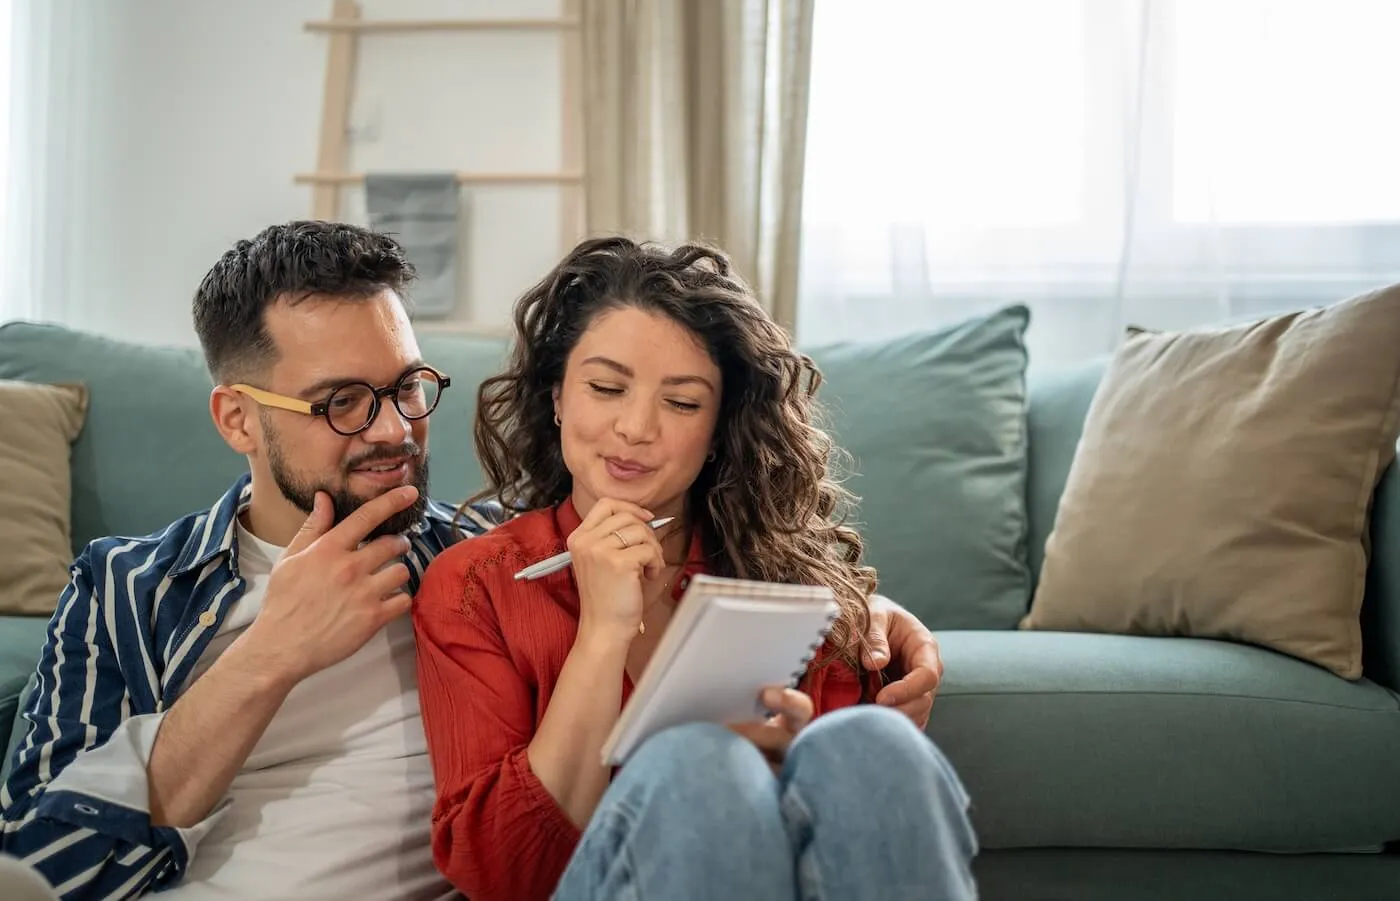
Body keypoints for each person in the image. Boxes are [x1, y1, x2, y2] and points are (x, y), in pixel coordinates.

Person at [0, 221, 947, 901]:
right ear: (238, 417)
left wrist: (868, 612)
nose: (391, 428)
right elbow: (40, 861)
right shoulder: (128, 586)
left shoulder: (466, 552)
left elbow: (640, 531)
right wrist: (271, 652)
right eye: (341, 402)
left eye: (408, 387)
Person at [412, 236, 978, 901]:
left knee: (869, 742)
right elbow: (504, 873)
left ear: (717, 428)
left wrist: (778, 768)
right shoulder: (477, 584)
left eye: (682, 403)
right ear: (558, 395)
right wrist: (602, 632)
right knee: (696, 762)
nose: (636, 427)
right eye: (605, 387)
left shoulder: (780, 580)